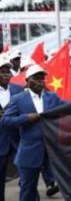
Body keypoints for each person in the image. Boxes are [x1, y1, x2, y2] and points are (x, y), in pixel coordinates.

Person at [0, 64, 66, 201]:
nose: (40, 81)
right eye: (36, 78)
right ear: (27, 81)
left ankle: (50, 184)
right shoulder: (18, 99)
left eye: (42, 78)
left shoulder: (52, 97)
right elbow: (5, 121)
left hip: (51, 152)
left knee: (67, 186)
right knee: (28, 191)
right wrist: (26, 118)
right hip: (29, 152)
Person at [0, 57, 24, 201]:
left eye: (8, 71)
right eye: (3, 71)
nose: (7, 74)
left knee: (28, 178)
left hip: (19, 141)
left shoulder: (19, 90)